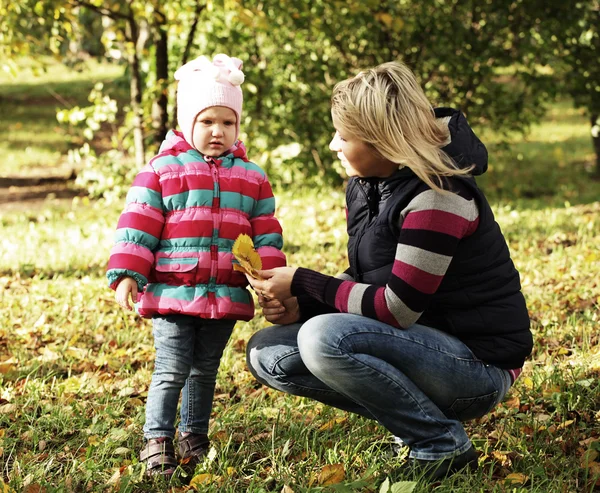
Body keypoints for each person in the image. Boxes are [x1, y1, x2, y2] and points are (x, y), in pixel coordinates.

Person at [245, 61, 532, 481]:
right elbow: (375, 276)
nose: (332, 145)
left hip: (478, 366)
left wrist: (305, 281)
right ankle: (413, 424)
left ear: (381, 140)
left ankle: (440, 444)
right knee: (269, 353)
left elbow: (398, 307)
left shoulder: (438, 196)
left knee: (322, 339)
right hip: (422, 343)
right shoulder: (370, 185)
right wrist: (301, 304)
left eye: (343, 136)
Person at [106, 54, 286, 477]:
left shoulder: (253, 177)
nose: (218, 131)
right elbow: (137, 227)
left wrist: (270, 281)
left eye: (228, 122)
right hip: (172, 293)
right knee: (170, 370)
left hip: (222, 295)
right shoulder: (161, 172)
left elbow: (266, 235)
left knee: (204, 371)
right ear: (188, 123)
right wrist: (129, 274)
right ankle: (157, 439)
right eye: (207, 121)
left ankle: (194, 434)